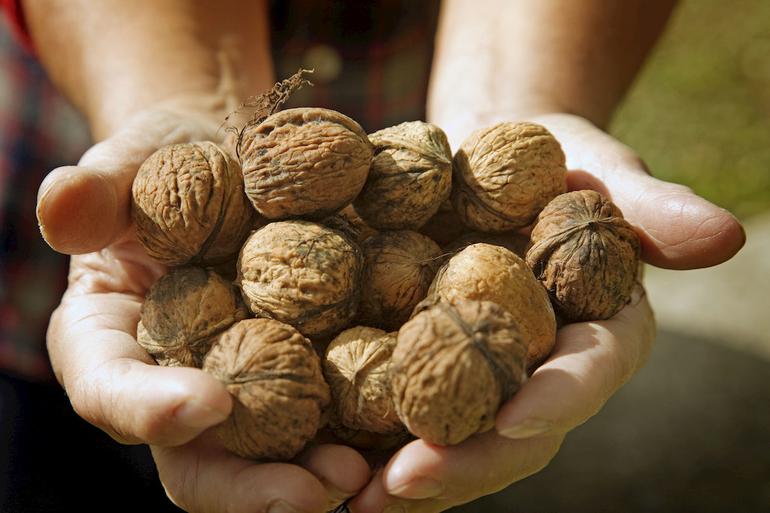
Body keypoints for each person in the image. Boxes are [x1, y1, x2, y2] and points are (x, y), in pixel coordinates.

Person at [12, 1, 746, 512]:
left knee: (427, 478)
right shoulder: (214, 224)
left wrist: (518, 91)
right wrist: (187, 94)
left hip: (430, 86)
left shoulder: (453, 240)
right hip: (36, 227)